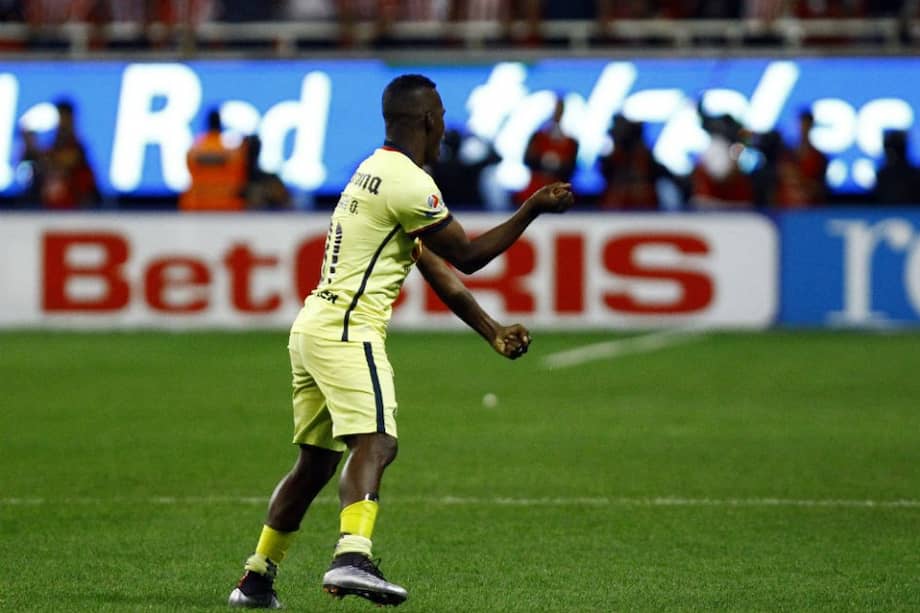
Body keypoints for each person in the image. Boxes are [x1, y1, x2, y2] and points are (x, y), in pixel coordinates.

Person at [228, 74, 574, 609]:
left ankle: (256, 577)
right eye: (438, 115)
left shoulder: (372, 170)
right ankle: (352, 556)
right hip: (347, 328)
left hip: (314, 326)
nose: (443, 127)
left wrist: (492, 331)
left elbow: (435, 267)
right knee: (378, 442)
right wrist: (531, 209)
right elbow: (469, 256)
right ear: (425, 121)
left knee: (315, 463)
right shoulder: (409, 182)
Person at [179, 108, 248, 211]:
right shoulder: (234, 153)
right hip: (228, 206)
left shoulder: (193, 152)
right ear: (221, 125)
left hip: (197, 205)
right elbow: (243, 175)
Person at [515, 94, 578, 206]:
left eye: (560, 109)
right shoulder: (537, 137)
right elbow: (528, 160)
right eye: (555, 109)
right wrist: (543, 161)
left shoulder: (571, 142)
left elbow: (571, 168)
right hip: (534, 191)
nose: (556, 112)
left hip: (559, 193)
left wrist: (558, 164)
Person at [40, 99, 100, 210]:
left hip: (77, 211)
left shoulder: (79, 149)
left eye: (65, 117)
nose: (62, 121)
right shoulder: (49, 149)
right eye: (60, 117)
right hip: (49, 211)